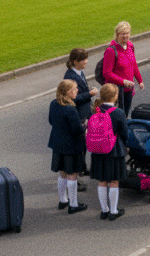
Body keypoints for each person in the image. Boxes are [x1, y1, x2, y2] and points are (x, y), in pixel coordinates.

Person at [89, 84, 129, 221]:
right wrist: (126, 146)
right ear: (115, 96)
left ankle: (104, 210)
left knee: (102, 181)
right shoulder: (118, 113)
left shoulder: (96, 110)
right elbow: (124, 133)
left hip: (98, 149)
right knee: (113, 182)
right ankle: (113, 211)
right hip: (114, 150)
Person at [48, 80, 88, 214]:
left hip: (58, 143)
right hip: (72, 145)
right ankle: (73, 204)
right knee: (72, 174)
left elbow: (50, 121)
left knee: (62, 173)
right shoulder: (70, 108)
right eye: (75, 89)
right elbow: (77, 129)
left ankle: (63, 200)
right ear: (68, 92)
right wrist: (84, 126)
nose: (77, 91)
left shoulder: (54, 103)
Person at [64, 48, 99, 184]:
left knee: (84, 145)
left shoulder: (79, 72)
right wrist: (89, 94)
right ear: (75, 61)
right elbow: (72, 98)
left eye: (86, 58)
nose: (86, 62)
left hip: (85, 114)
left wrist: (88, 92)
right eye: (83, 60)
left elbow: (81, 91)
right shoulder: (70, 77)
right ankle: (76, 175)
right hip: (78, 115)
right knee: (79, 147)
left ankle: (82, 168)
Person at [103, 21, 144, 116]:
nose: (125, 36)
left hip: (128, 89)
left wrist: (140, 80)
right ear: (117, 35)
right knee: (116, 116)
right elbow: (107, 73)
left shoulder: (130, 45)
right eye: (123, 34)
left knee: (125, 114)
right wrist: (123, 82)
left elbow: (133, 64)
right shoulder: (111, 50)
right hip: (115, 92)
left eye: (127, 33)